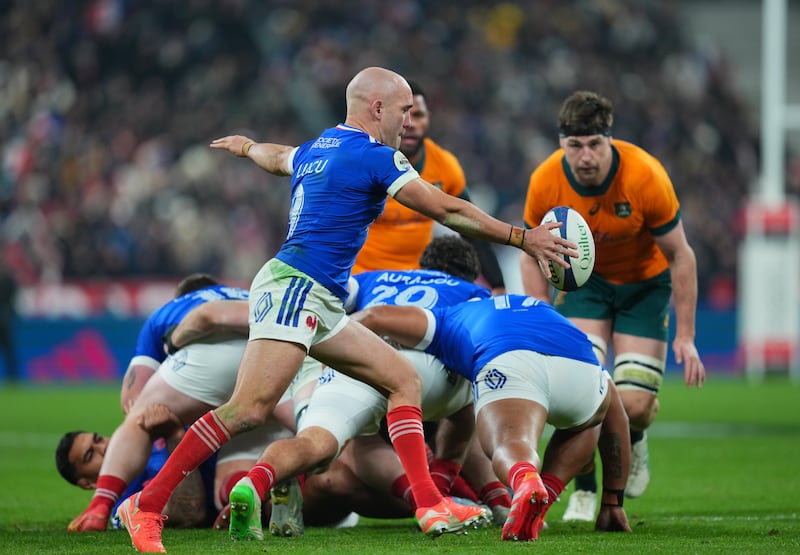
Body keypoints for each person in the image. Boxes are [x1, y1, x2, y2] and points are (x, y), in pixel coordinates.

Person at [114, 66, 577, 554]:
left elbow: (278, 158)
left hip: (323, 297)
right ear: (378, 108)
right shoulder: (376, 157)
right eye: (403, 110)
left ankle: (430, 504)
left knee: (402, 380)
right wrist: (524, 238)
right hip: (296, 287)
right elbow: (448, 210)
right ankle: (145, 507)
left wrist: (249, 147)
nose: (408, 121)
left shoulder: (320, 147)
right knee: (248, 410)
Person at [519, 90, 706, 522]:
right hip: (587, 285)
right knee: (578, 393)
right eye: (575, 145)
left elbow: (682, 255)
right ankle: (585, 489)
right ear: (561, 143)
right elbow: (531, 250)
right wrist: (539, 315)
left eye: (594, 144)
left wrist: (687, 336)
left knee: (635, 405)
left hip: (645, 285)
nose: (585, 156)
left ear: (610, 139)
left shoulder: (645, 176)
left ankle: (634, 438)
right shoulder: (545, 180)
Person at [352, 294, 633, 541]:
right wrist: (612, 502)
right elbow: (615, 415)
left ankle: (525, 481)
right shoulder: (536, 308)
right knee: (586, 423)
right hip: (582, 365)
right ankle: (539, 502)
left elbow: (376, 316)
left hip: (509, 356)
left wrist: (331, 345)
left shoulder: (449, 315)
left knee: (511, 441)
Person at [65, 273, 297, 532]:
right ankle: (291, 492)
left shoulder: (171, 310)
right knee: (310, 436)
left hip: (211, 361)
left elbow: (132, 399)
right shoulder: (251, 295)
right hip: (280, 357)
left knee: (139, 419)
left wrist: (173, 411)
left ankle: (99, 508)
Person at [352, 80, 505, 295]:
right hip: (359, 282)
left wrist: (498, 286)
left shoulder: (444, 165)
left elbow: (471, 228)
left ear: (429, 118)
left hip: (414, 285)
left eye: (419, 115)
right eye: (404, 114)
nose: (411, 123)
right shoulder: (361, 162)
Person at [0, 260, 19, 384]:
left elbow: (13, 298)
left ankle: (13, 377)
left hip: (5, 320)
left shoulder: (8, 281)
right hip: (6, 318)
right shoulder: (8, 281)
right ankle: (13, 377)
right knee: (9, 350)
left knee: (9, 350)